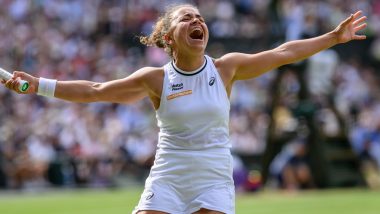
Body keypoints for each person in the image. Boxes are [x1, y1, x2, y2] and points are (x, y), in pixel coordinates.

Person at [1, 3, 367, 214]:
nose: (197, 21)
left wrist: (334, 38)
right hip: (169, 177)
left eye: (200, 18)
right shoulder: (155, 79)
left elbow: (284, 53)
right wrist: (39, 85)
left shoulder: (227, 67)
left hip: (213, 178)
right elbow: (96, 90)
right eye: (187, 18)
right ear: (168, 37)